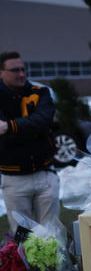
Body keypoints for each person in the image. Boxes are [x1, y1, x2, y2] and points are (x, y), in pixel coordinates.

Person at [0, 51, 60, 233]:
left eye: (23, 69)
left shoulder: (40, 92)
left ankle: (59, 263)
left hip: (45, 173)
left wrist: (10, 127)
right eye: (14, 70)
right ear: (1, 72)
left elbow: (43, 121)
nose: (21, 74)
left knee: (53, 231)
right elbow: (36, 125)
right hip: (13, 178)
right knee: (23, 236)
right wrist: (30, 128)